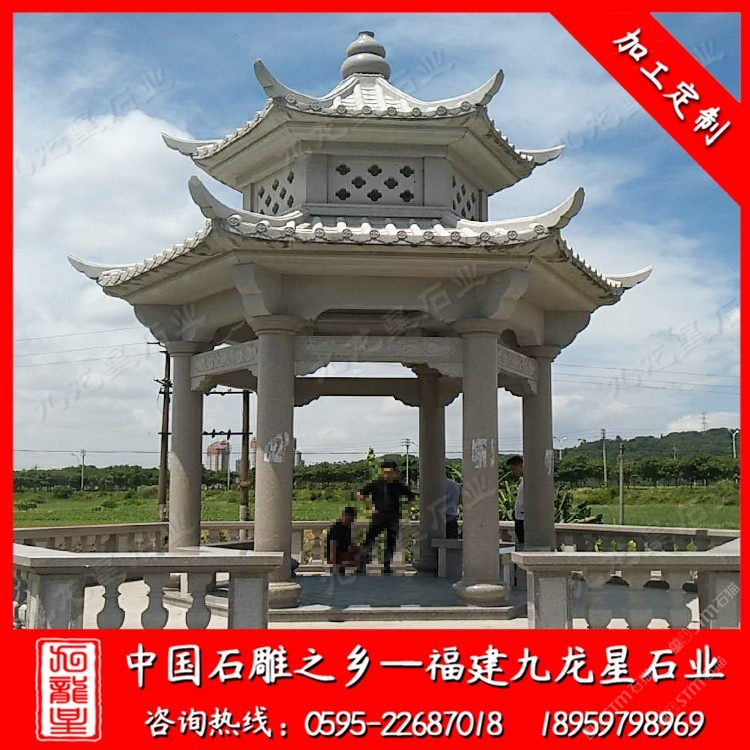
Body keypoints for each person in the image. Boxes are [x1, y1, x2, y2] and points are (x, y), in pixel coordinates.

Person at [358, 460, 414, 575]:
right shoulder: (376, 483)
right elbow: (360, 494)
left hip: (393, 516)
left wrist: (402, 503)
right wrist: (371, 505)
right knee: (369, 539)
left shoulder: (399, 484)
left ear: (394, 472)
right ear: (382, 472)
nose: (387, 475)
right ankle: (362, 563)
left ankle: (387, 565)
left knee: (391, 541)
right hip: (378, 515)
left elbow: (411, 497)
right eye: (385, 472)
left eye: (390, 473)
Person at [326, 506, 365, 576]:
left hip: (345, 552)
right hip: (337, 555)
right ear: (343, 515)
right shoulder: (336, 528)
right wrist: (334, 563)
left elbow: (349, 543)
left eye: (351, 520)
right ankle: (341, 570)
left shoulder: (347, 528)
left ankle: (359, 573)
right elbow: (333, 546)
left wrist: (360, 548)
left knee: (363, 554)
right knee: (358, 557)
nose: (349, 522)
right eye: (348, 519)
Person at [506, 455, 524, 546]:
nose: (512, 472)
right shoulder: (522, 481)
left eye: (513, 469)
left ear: (520, 465)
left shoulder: (530, 481)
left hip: (524, 519)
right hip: (519, 517)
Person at [444, 474, 462, 539]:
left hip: (438, 518)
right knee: (452, 540)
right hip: (452, 516)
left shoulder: (436, 485)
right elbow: (461, 500)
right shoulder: (456, 485)